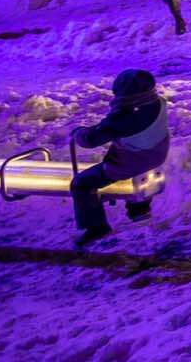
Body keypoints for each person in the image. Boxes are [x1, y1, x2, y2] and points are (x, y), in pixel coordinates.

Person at [70, 69, 169, 247]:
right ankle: (139, 210)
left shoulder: (122, 118)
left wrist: (78, 133)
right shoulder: (158, 102)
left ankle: (96, 227)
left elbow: (92, 140)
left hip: (132, 161)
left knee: (81, 184)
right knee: (141, 169)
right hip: (157, 153)